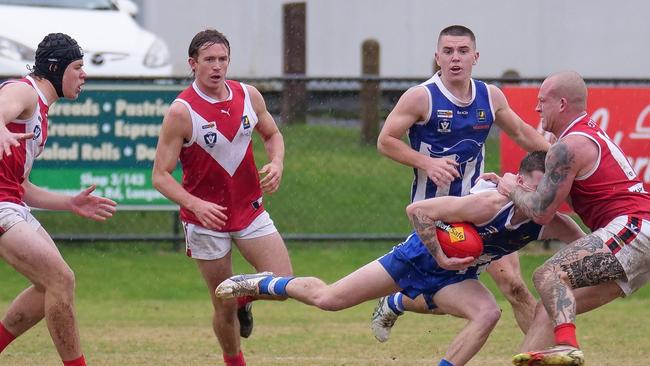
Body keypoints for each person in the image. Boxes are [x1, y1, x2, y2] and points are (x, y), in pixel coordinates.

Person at [215, 152, 585, 366]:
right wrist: (440, 251)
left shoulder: (551, 223)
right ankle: (262, 281)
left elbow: (594, 246)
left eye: (551, 190)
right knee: (330, 299)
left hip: (457, 275)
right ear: (518, 182)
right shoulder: (488, 203)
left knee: (488, 313)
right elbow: (418, 210)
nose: (545, 198)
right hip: (418, 256)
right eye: (538, 189)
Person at [375, 24, 552, 338]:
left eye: (462, 51)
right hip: (442, 219)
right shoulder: (420, 97)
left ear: (475, 56)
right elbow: (386, 141)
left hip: (484, 207)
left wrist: (562, 159)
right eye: (448, 51)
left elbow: (523, 134)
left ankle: (538, 355)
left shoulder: (490, 96)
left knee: (514, 286)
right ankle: (398, 301)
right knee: (444, 295)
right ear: (437, 57)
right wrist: (426, 162)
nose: (455, 58)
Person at [151, 29, 293, 366]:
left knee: (284, 283)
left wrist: (277, 162)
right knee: (222, 305)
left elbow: (272, 134)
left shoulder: (249, 95)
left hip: (250, 210)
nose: (217, 67)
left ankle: (244, 297)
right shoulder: (181, 111)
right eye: (209, 60)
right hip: (206, 221)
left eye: (223, 59)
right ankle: (235, 361)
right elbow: (160, 175)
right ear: (193, 63)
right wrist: (195, 204)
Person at [488, 71, 650, 366]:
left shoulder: (569, 146)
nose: (537, 108)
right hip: (637, 233)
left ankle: (567, 345)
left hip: (633, 228)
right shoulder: (578, 139)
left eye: (542, 101)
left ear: (562, 104)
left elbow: (540, 211)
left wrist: (511, 189)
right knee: (549, 307)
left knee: (548, 274)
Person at [0, 33, 117, 366]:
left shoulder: (41, 111)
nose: (84, 75)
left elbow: (20, 186)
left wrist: (70, 203)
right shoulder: (24, 91)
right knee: (60, 279)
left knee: (49, 286)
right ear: (55, 67)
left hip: (11, 202)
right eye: (78, 67)